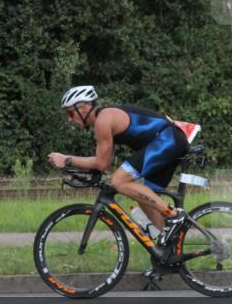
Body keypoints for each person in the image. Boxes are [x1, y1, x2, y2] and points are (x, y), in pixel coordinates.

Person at [47, 85, 189, 241]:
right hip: (168, 140)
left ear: (84, 108)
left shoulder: (103, 120)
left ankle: (173, 214)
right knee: (143, 195)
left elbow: (100, 163)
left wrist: (67, 159)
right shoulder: (105, 118)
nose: (69, 119)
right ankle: (168, 254)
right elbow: (104, 162)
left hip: (167, 140)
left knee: (118, 181)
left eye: (70, 112)